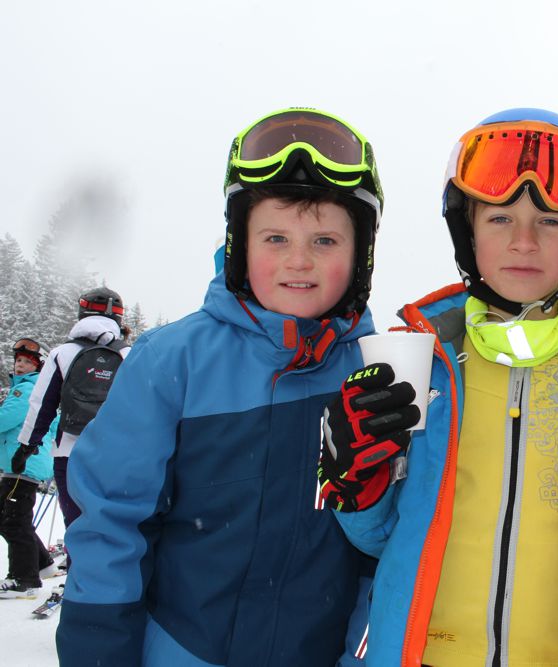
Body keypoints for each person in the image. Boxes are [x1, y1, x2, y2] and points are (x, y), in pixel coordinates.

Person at [326, 109, 558, 666]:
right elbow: (380, 538)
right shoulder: (425, 361)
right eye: (500, 219)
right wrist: (357, 479)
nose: (524, 241)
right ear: (467, 230)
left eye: (550, 221)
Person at [54, 108, 383, 666]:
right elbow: (112, 522)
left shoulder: (373, 372)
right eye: (275, 237)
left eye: (325, 240)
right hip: (183, 651)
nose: (298, 260)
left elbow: (386, 546)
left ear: (360, 256)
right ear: (239, 245)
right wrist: (99, 648)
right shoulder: (172, 361)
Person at [18, 286, 131, 560]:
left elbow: (41, 405)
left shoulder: (62, 352)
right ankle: (108, 582)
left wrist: (27, 445)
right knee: (111, 522)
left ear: (82, 311)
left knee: (76, 522)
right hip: (114, 453)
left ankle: (78, 579)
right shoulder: (130, 354)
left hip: (69, 451)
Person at [0, 338, 58, 598]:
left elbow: (5, 419)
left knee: (12, 521)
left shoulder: (25, 390)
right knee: (14, 518)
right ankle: (42, 564)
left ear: (37, 367)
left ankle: (24, 579)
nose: (21, 366)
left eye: (27, 362)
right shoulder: (37, 389)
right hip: (23, 464)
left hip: (22, 464)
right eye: (19, 361)